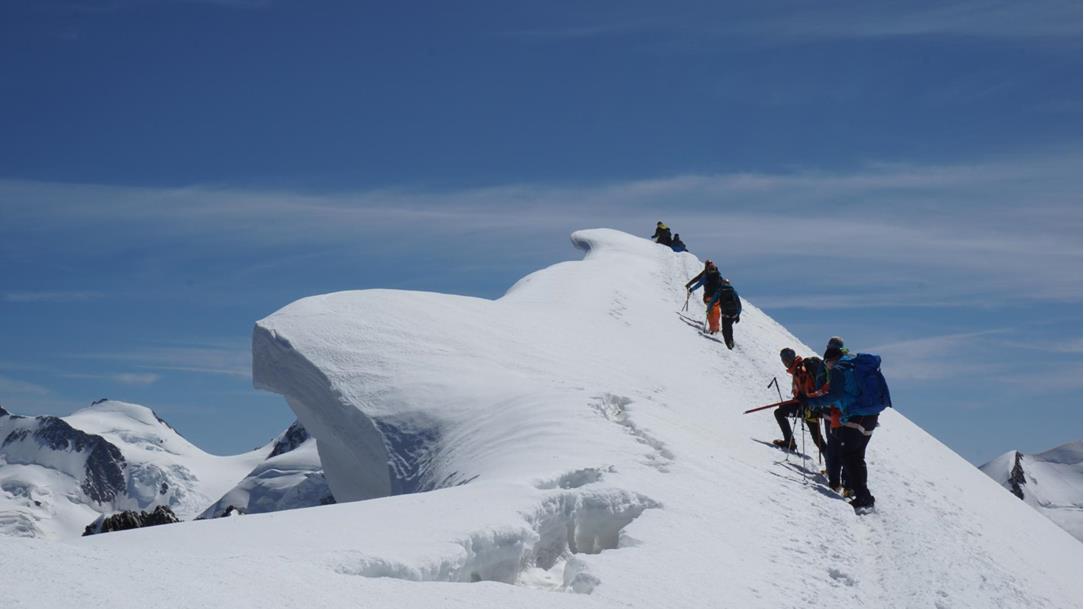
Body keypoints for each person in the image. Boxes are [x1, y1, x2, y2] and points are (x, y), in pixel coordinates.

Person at [802, 339, 891, 514]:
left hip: (854, 417)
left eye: (826, 364)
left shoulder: (838, 369)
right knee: (857, 456)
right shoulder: (852, 365)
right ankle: (862, 495)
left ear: (830, 360)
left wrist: (812, 402)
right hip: (871, 415)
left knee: (849, 456)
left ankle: (863, 497)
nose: (827, 368)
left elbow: (833, 395)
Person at [773, 348, 827, 454]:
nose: (785, 362)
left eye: (787, 358)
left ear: (792, 358)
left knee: (817, 438)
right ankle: (789, 442)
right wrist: (798, 398)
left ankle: (833, 467)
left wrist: (805, 398)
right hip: (804, 405)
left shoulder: (801, 369)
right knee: (780, 412)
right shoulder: (796, 370)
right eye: (783, 359)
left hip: (812, 407)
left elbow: (811, 389)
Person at [685, 260, 723, 335]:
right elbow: (722, 286)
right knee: (716, 312)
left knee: (710, 312)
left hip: (708, 297)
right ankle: (716, 327)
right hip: (717, 298)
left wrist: (691, 288)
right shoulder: (719, 276)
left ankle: (712, 328)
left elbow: (699, 283)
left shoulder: (706, 276)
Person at [705, 277, 741, 349]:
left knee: (725, 328)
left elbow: (712, 301)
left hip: (725, 312)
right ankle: (731, 340)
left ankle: (728, 344)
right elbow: (738, 304)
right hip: (734, 313)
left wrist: (708, 309)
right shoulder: (733, 291)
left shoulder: (720, 291)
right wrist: (738, 314)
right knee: (729, 326)